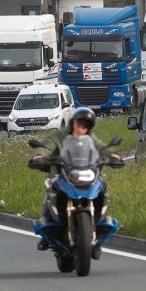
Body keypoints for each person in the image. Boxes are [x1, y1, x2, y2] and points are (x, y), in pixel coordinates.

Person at [30, 107, 121, 254]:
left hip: (86, 173)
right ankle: (47, 226)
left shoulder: (90, 138)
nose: (81, 128)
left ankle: (98, 224)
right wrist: (39, 156)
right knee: (51, 189)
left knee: (102, 187)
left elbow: (101, 147)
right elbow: (46, 147)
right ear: (72, 123)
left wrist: (112, 155)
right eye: (79, 124)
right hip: (62, 175)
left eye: (85, 126)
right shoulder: (58, 136)